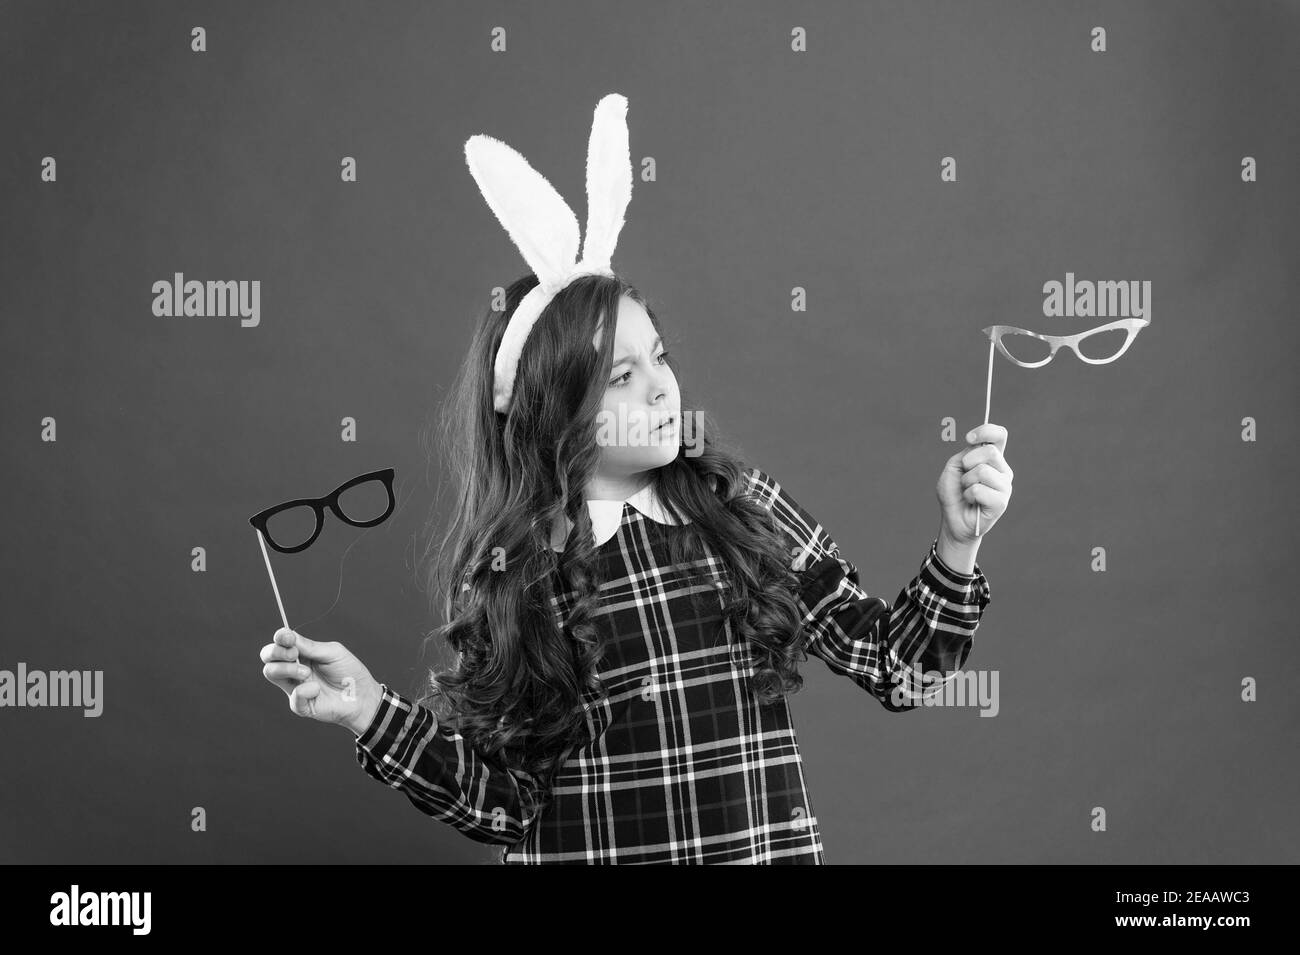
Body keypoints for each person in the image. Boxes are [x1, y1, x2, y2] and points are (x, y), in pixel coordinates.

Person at [258, 272, 1014, 863]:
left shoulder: (740, 509)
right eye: (620, 376)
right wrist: (368, 712)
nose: (660, 386)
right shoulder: (514, 572)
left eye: (659, 357)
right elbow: (504, 803)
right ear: (553, 406)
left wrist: (958, 541)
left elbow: (900, 668)